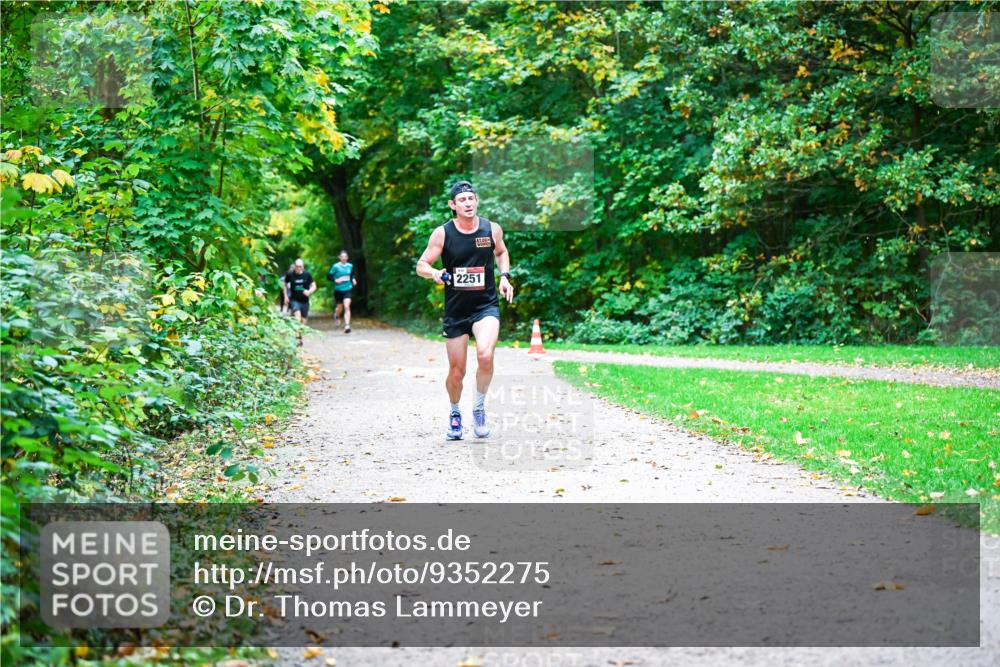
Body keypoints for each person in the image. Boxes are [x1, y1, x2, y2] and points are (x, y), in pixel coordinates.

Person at [415, 180, 514, 440]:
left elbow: (502, 253)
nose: (468, 204)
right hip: (456, 310)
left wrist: (504, 276)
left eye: (471, 199)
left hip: (485, 306)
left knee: (485, 355)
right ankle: (455, 412)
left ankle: (479, 409)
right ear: (453, 205)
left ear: (477, 201)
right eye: (462, 200)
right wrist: (434, 272)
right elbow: (421, 264)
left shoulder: (491, 229)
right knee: (457, 372)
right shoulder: (443, 233)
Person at [283, 258, 316, 345]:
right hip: (294, 300)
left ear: (303, 267)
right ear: (294, 267)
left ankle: (299, 335)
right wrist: (286, 296)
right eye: (297, 266)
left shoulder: (307, 274)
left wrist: (309, 292)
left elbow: (314, 285)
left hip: (304, 301)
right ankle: (297, 338)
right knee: (297, 316)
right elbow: (284, 285)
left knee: (303, 320)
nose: (298, 268)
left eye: (300, 267)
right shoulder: (290, 275)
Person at [327, 249, 357, 334]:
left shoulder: (350, 266)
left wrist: (353, 279)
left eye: (345, 257)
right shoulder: (335, 266)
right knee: (339, 308)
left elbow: (352, 274)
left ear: (347, 257)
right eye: (342, 257)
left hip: (347, 289)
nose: (344, 258)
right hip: (338, 290)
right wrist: (335, 280)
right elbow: (328, 276)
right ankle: (336, 315)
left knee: (347, 306)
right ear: (339, 257)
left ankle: (347, 326)